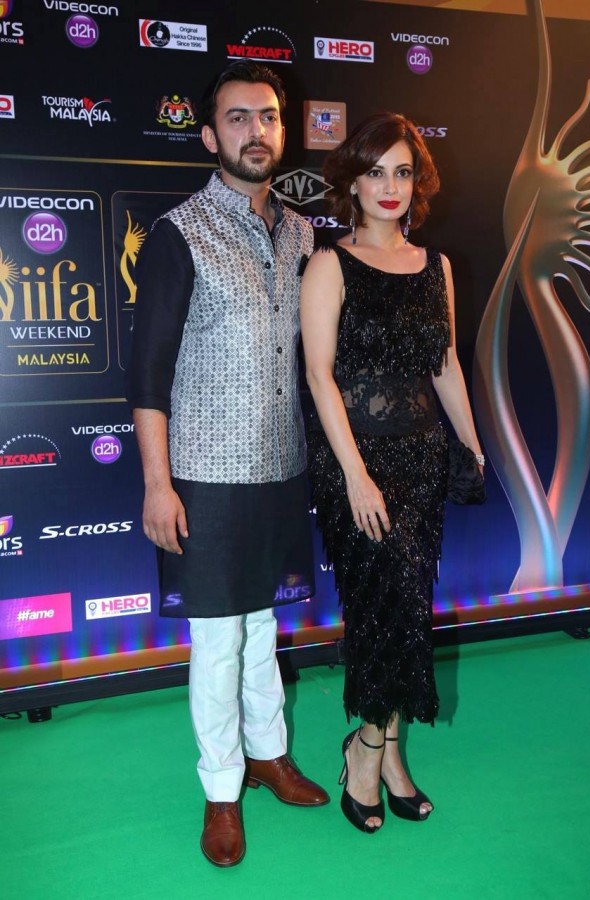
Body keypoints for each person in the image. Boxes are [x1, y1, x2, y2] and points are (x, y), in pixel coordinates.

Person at [126, 61, 329, 868]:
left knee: (264, 627)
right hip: (204, 477)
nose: (256, 131)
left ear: (284, 128)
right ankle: (220, 790)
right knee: (217, 642)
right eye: (238, 118)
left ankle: (269, 756)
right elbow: (147, 375)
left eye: (268, 116)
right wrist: (157, 484)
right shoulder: (179, 233)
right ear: (210, 136)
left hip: (280, 469)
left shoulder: (304, 234)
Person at [300, 112, 484, 833]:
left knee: (408, 607)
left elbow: (445, 365)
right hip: (355, 462)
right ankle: (366, 752)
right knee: (380, 605)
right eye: (375, 171)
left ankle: (389, 755)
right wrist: (355, 475)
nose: (389, 186)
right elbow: (319, 376)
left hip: (421, 458)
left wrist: (472, 446)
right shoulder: (329, 264)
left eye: (403, 172)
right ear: (351, 181)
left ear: (417, 184)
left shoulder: (435, 267)